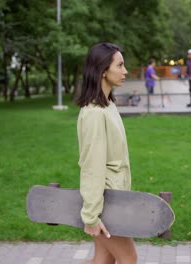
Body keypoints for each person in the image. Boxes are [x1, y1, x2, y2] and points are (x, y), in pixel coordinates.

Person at [75, 42, 137, 264]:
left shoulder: (107, 106)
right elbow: (92, 166)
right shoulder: (94, 114)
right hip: (106, 203)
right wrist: (91, 216)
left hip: (113, 198)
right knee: (129, 259)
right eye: (119, 65)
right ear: (103, 71)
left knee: (102, 261)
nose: (125, 71)